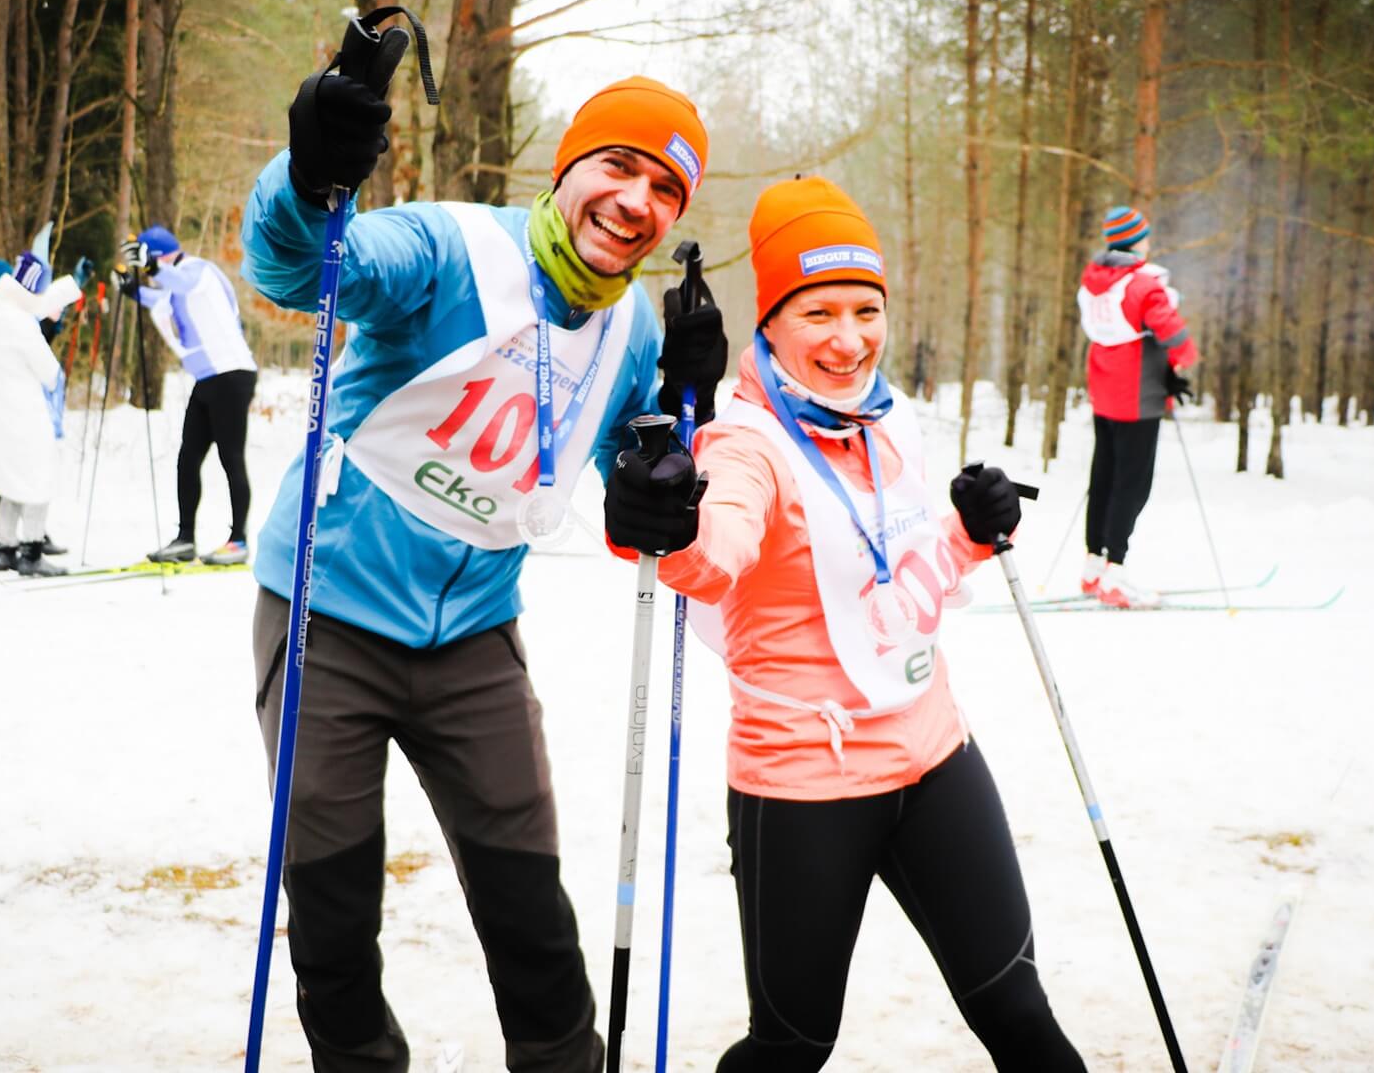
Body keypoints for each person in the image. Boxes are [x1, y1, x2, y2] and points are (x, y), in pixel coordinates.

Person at [241, 72, 726, 1072]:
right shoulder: (450, 245)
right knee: (334, 903)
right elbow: (302, 270)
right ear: (570, 169)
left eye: (666, 190)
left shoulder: (633, 328)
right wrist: (310, 180)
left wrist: (668, 468)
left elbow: (632, 493)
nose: (638, 200)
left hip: (475, 638)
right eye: (619, 166)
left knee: (529, 907)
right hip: (326, 613)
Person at [603, 176, 1085, 1072]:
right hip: (802, 783)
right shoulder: (745, 443)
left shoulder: (881, 421)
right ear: (772, 324)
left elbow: (883, 573)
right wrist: (663, 522)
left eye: (867, 310)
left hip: (934, 756)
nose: (849, 338)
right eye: (818, 311)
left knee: (1019, 1014)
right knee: (791, 1046)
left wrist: (970, 533)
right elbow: (713, 557)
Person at [1073, 205, 1199, 608]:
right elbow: (1174, 334)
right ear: (1135, 239)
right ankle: (1116, 574)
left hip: (1104, 392)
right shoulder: (1144, 284)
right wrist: (1182, 359)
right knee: (1133, 483)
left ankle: (1093, 567)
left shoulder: (1094, 281)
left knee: (1104, 477)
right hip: (1138, 397)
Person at [118, 225, 259, 566]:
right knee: (188, 457)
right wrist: (132, 289)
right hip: (206, 379)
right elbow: (161, 298)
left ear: (159, 255)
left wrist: (150, 269)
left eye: (150, 260)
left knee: (231, 458)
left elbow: (179, 282)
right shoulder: (173, 280)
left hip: (231, 374)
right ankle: (185, 539)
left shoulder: (198, 271)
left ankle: (238, 541)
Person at [0, 251, 84, 576]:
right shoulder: (17, 319)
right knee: (38, 475)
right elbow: (48, 370)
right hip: (26, 408)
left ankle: (4, 547)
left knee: (7, 475)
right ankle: (32, 551)